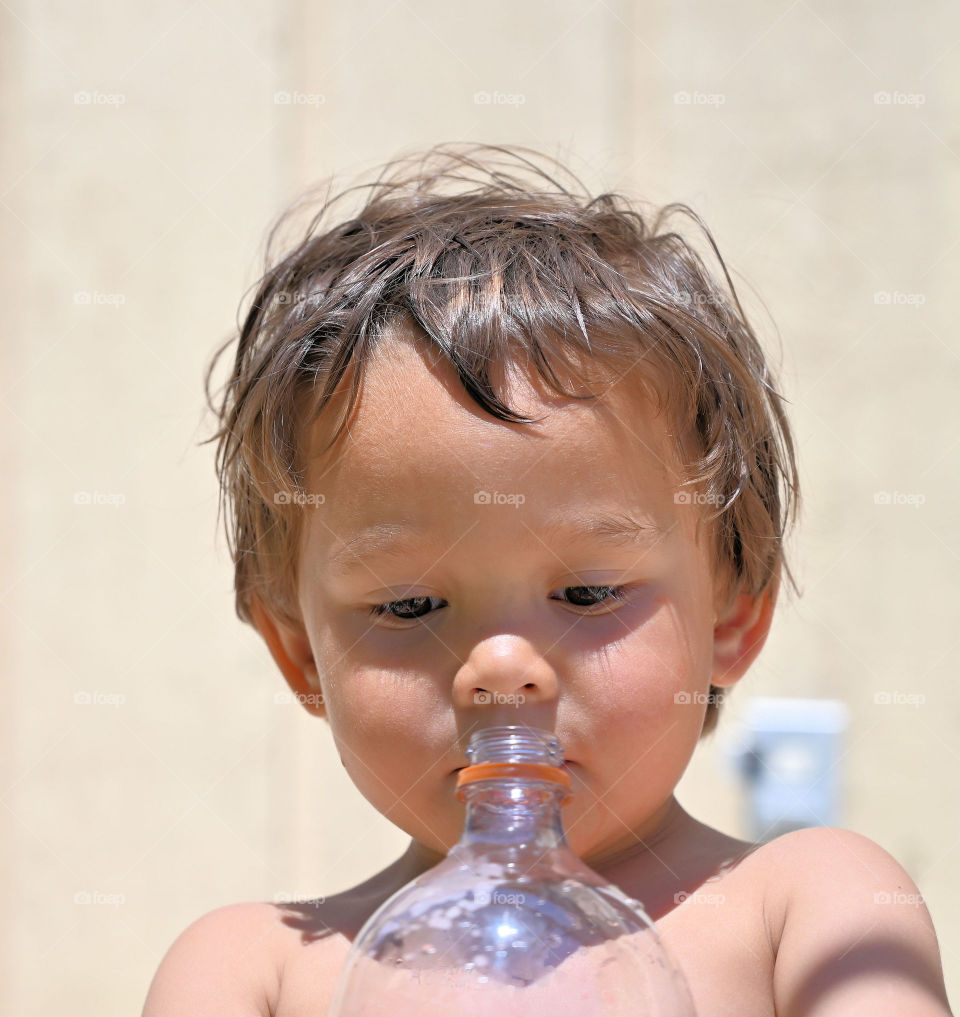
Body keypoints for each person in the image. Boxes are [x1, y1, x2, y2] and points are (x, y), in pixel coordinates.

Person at [141, 143, 953, 1016]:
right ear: (300, 655)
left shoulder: (807, 911)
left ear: (732, 614)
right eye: (409, 604)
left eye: (589, 594)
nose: (498, 667)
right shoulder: (257, 972)